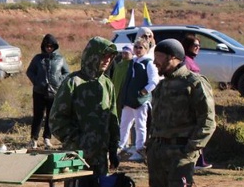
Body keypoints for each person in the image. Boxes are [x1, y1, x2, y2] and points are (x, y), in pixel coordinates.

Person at [146, 39, 216, 187]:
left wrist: (190, 152)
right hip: (157, 156)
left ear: (172, 57)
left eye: (159, 57)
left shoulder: (194, 83)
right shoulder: (162, 86)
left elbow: (207, 121)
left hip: (180, 158)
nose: (155, 62)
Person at [51, 37, 120, 176]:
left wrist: (113, 151)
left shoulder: (107, 85)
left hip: (100, 157)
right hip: (76, 157)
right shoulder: (73, 83)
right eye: (104, 55)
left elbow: (113, 121)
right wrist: (77, 141)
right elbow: (56, 119)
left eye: (110, 56)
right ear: (93, 56)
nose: (107, 59)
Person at [117, 38, 159, 163]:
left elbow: (154, 81)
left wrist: (143, 92)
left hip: (140, 100)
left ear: (146, 49)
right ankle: (121, 145)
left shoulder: (148, 63)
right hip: (129, 99)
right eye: (136, 47)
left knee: (140, 126)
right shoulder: (132, 61)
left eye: (141, 47)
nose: (138, 50)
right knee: (124, 124)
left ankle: (140, 148)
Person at [25, 34, 70, 149]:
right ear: (43, 46)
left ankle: (47, 139)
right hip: (39, 92)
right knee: (38, 116)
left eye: (51, 46)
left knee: (50, 117)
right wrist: (37, 81)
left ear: (55, 47)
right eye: (46, 46)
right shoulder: (38, 58)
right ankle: (34, 139)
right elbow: (29, 71)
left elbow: (66, 73)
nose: (49, 48)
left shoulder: (60, 59)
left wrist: (59, 81)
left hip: (54, 93)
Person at [182, 35, 213, 170]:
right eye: (195, 45)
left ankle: (199, 160)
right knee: (193, 131)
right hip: (189, 102)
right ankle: (195, 160)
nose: (197, 48)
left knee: (198, 129)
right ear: (188, 46)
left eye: (199, 46)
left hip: (197, 99)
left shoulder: (191, 61)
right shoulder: (185, 61)